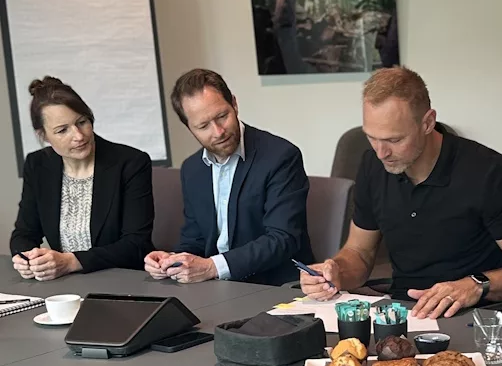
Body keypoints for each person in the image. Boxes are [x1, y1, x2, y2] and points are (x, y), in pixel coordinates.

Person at [299, 66, 502, 319]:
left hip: (476, 315)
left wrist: (475, 285)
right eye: (372, 138)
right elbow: (359, 253)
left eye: (394, 140)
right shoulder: (372, 166)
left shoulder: (487, 172)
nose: (381, 152)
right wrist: (335, 272)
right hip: (404, 312)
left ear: (427, 122)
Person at [143, 68, 314, 285]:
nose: (218, 132)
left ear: (234, 104)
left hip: (273, 286)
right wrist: (172, 262)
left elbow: (282, 239)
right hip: (217, 286)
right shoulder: (192, 169)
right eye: (203, 126)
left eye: (222, 116)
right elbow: (194, 240)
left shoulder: (280, 156)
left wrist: (212, 267)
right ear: (189, 128)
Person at [10, 76, 154, 280]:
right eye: (62, 130)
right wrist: (26, 258)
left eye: (82, 122)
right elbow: (24, 233)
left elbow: (136, 245)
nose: (79, 136)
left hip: (123, 280)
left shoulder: (131, 163)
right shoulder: (37, 165)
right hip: (65, 284)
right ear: (43, 135)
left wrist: (70, 262)